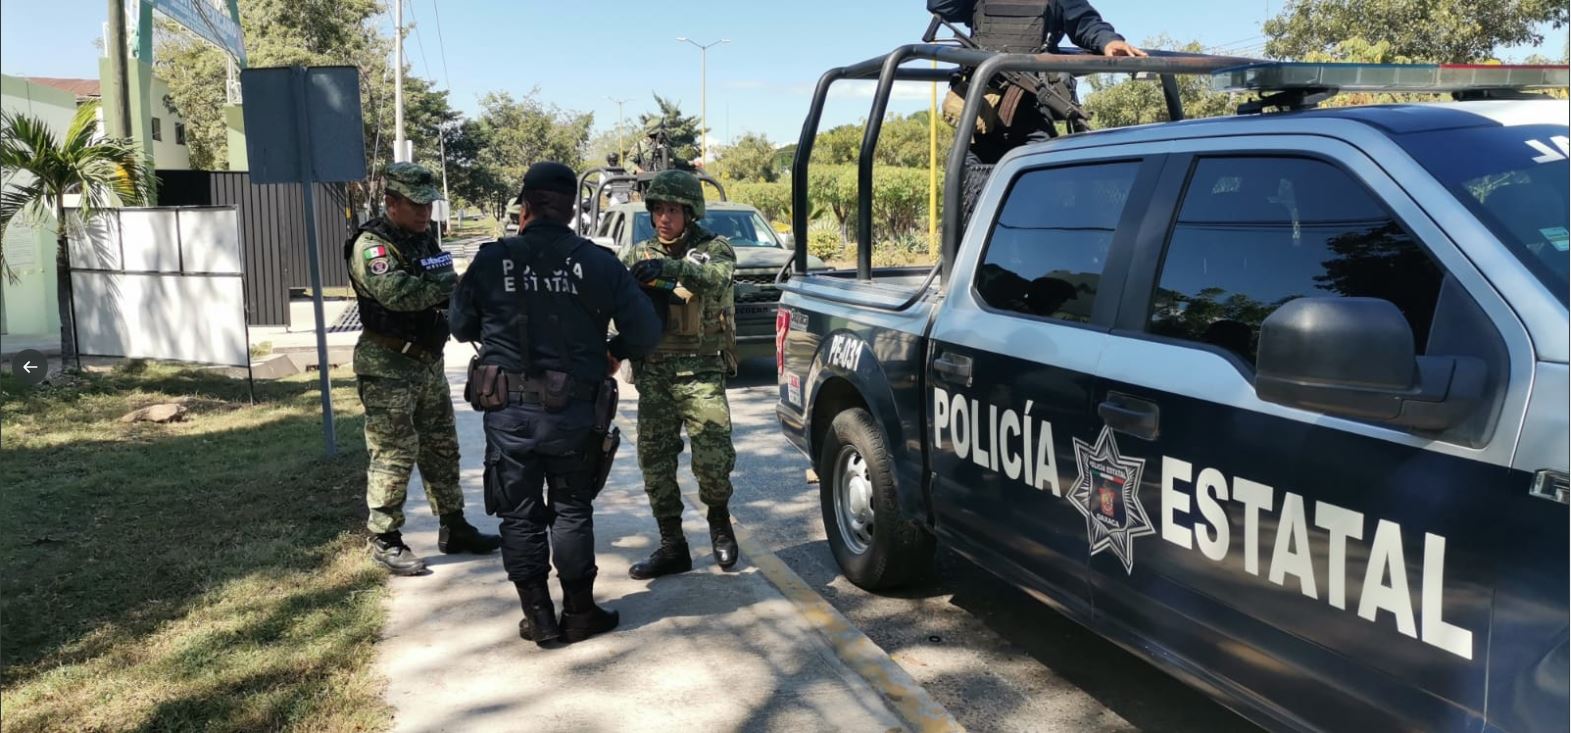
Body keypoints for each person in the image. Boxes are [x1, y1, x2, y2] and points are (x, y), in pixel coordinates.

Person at [450, 162, 661, 646]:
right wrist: (615, 351)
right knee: (571, 508)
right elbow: (646, 332)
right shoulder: (600, 262)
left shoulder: (491, 259)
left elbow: (460, 327)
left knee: (518, 513)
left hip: (509, 414)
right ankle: (580, 613)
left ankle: (539, 616)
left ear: (524, 205)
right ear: (572, 211)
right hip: (573, 414)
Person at [346, 162, 501, 576]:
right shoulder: (372, 245)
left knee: (442, 447)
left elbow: (439, 284)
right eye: (415, 205)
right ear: (391, 202)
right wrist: (454, 287)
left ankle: (454, 525)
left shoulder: (424, 239)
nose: (424, 213)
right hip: (388, 363)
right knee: (394, 453)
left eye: (428, 205)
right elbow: (395, 292)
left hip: (427, 362)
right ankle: (386, 537)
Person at [620, 170, 741, 579]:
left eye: (672, 210)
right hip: (654, 373)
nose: (663, 219)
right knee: (654, 463)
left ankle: (719, 523)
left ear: (689, 213)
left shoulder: (713, 248)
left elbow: (715, 278)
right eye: (657, 210)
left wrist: (669, 269)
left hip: (700, 371)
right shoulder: (638, 253)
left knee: (712, 458)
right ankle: (672, 544)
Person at [928, 0, 1146, 163]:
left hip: (1033, 112)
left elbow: (1085, 21)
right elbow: (940, 5)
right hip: (981, 115)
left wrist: (1108, 41)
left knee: (1038, 193)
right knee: (967, 194)